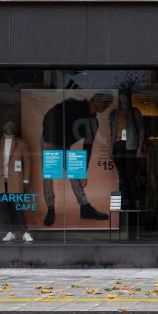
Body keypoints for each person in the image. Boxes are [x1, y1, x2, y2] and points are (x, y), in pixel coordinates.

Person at [40, 93, 114, 225]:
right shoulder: (74, 104)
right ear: (96, 99)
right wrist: (47, 140)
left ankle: (85, 207)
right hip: (50, 139)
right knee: (49, 174)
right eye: (106, 102)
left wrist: (84, 171)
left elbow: (87, 147)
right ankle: (50, 208)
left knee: (75, 171)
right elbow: (50, 115)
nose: (107, 106)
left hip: (64, 144)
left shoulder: (93, 123)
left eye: (109, 104)